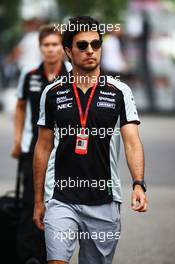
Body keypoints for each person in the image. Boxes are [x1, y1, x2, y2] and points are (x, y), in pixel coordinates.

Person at [33, 16, 148, 264]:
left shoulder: (119, 91)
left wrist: (139, 183)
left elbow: (132, 141)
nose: (90, 51)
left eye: (96, 45)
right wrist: (38, 201)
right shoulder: (52, 93)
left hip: (104, 200)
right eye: (82, 45)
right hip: (60, 197)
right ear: (68, 51)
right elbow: (42, 147)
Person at [11, 24, 67, 264]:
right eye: (46, 45)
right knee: (29, 202)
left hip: (64, 146)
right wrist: (17, 141)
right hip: (33, 145)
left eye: (55, 44)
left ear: (63, 49)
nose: (51, 49)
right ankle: (29, 256)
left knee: (58, 203)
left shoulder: (73, 74)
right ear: (40, 48)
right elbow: (20, 106)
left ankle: (53, 255)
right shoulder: (30, 73)